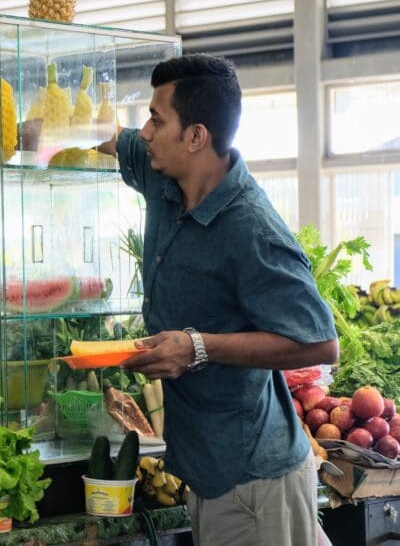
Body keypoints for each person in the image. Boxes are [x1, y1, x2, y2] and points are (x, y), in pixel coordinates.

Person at [97, 54, 338, 546]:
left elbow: (319, 343)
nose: (143, 131)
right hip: (209, 473)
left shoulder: (252, 230)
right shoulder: (164, 172)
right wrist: (23, 138)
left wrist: (197, 347)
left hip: (255, 482)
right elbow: (108, 141)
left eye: (157, 119)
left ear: (195, 137)